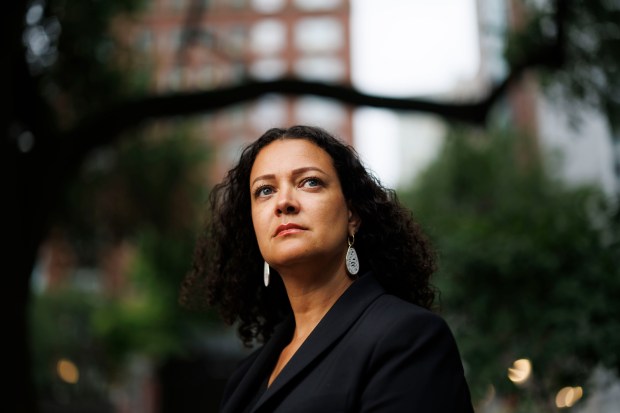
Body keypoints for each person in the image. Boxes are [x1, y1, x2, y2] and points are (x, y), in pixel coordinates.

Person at [182, 125, 474, 412]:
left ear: (353, 215)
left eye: (310, 182)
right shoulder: (245, 377)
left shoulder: (408, 337)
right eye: (265, 190)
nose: (283, 202)